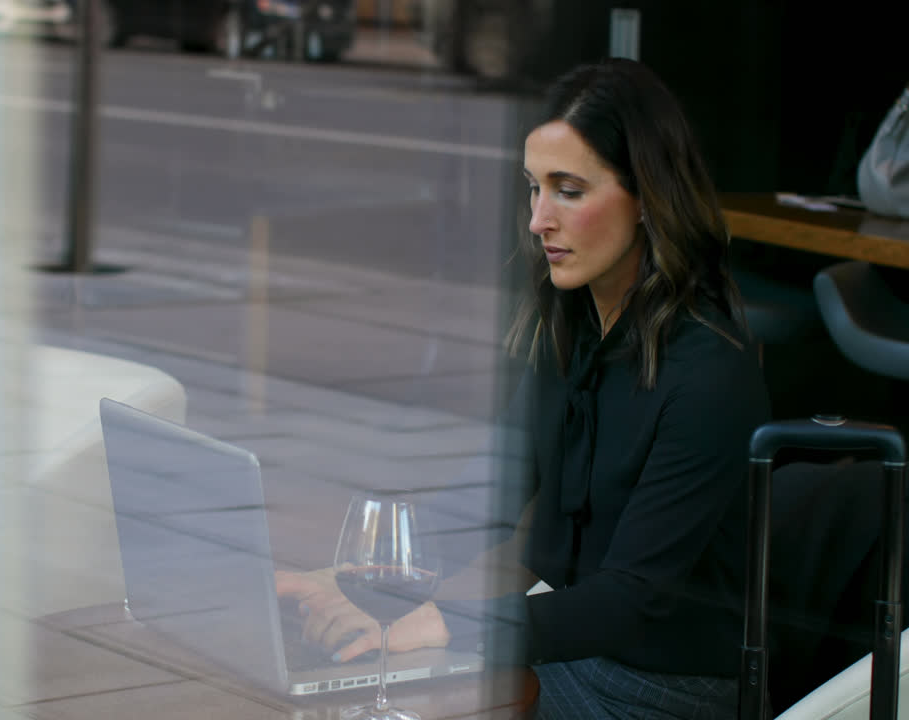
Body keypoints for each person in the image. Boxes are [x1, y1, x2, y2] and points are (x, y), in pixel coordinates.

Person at [276, 57, 772, 718]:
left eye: (568, 190)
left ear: (647, 200)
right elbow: (486, 498)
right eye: (533, 188)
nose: (539, 219)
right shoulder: (570, 332)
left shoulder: (711, 373)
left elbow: (630, 600)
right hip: (562, 654)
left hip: (661, 693)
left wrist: (447, 625)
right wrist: (337, 579)